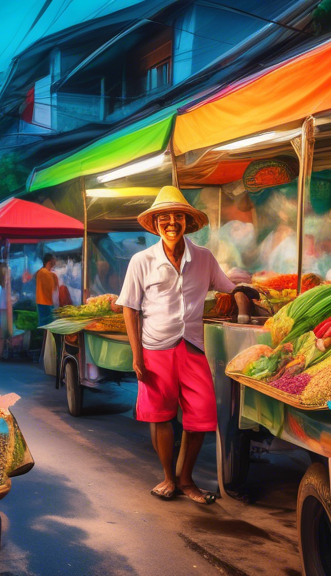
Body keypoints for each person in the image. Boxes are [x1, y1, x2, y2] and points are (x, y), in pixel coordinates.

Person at [117, 186, 252, 504]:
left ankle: (186, 479)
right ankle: (168, 478)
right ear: (156, 224)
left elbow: (230, 287)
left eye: (178, 216)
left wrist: (239, 297)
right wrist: (137, 355)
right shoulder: (142, 261)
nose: (171, 222)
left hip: (193, 347)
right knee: (160, 416)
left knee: (201, 414)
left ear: (187, 221)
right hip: (154, 347)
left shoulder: (204, 258)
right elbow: (129, 308)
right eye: (164, 217)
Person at [35, 253, 58, 327]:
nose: (55, 263)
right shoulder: (45, 272)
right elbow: (53, 288)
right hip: (45, 303)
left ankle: (44, 337)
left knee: (45, 323)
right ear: (50, 262)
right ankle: (44, 338)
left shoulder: (41, 272)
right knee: (46, 324)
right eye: (54, 262)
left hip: (44, 302)